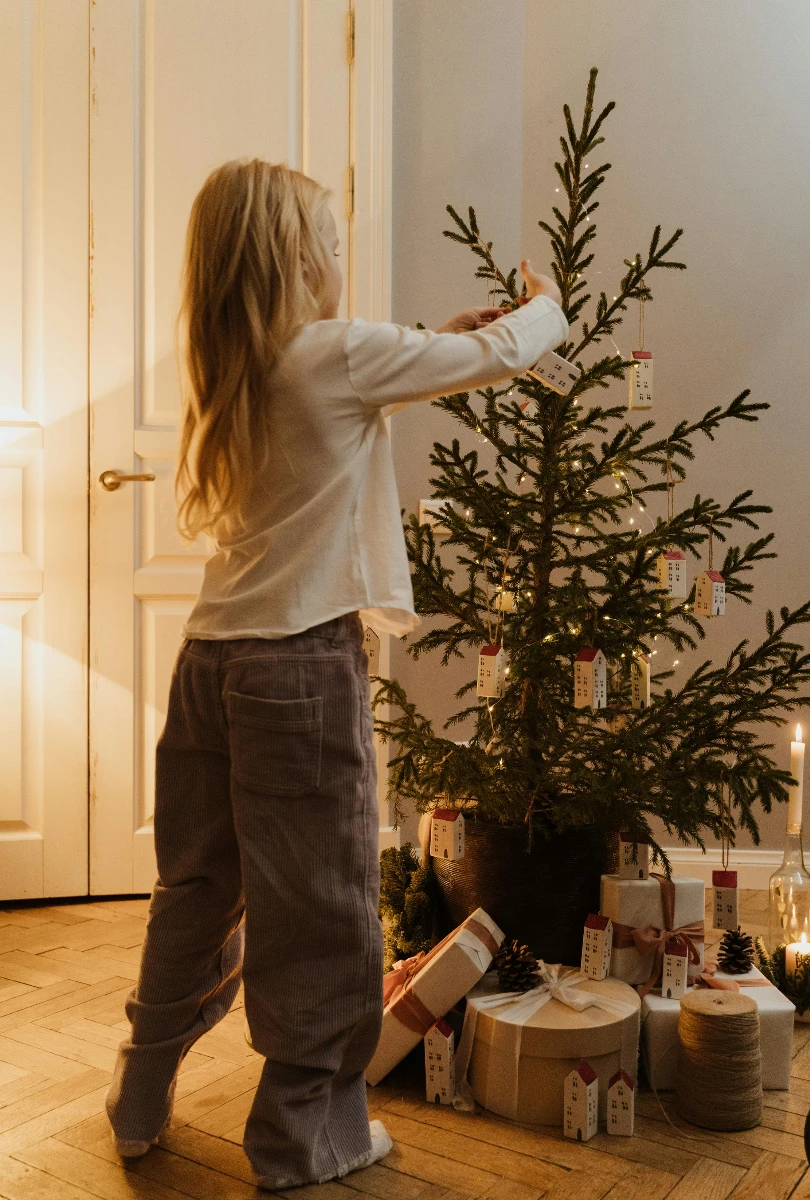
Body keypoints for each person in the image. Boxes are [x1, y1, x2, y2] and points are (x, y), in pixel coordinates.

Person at [105, 157, 569, 1191]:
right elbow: (499, 354)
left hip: (207, 662)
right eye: (332, 243)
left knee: (196, 888)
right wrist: (549, 310)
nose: (341, 261)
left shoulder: (234, 363)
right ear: (296, 258)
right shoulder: (332, 354)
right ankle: (300, 1137)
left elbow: (350, 415)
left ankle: (140, 1087)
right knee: (316, 907)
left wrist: (428, 342)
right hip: (297, 672)